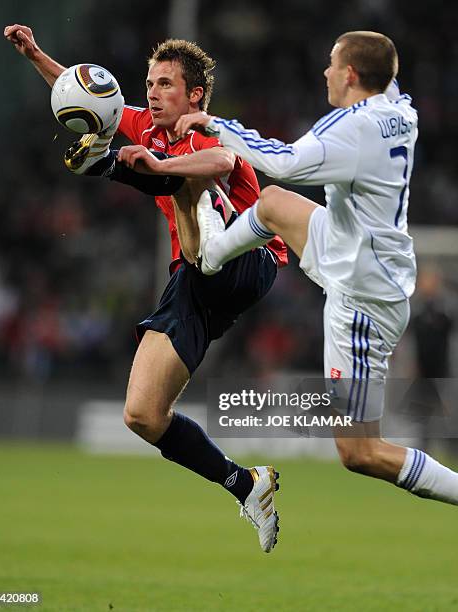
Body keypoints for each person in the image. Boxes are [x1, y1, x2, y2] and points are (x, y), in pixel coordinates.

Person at [4, 24, 289, 552]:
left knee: (184, 178)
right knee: (142, 415)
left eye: (164, 84)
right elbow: (86, 96)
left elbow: (222, 162)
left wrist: (150, 165)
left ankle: (119, 172)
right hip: (195, 277)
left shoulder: (209, 130)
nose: (152, 93)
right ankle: (245, 484)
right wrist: (37, 55)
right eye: (150, 84)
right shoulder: (148, 128)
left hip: (249, 259)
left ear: (194, 94)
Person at [175, 31, 458, 506]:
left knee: (360, 452)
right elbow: (385, 71)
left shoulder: (354, 129)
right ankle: (209, 256)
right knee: (272, 205)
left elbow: (282, 161)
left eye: (332, 63)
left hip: (362, 296)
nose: (325, 71)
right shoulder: (399, 108)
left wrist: (214, 124)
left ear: (350, 75)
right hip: (354, 246)